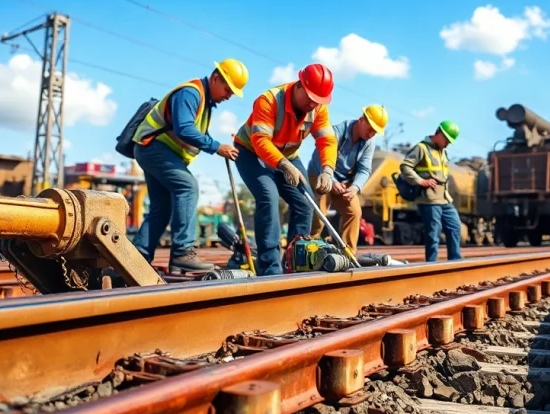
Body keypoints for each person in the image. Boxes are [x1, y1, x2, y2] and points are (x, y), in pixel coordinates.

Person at [130, 59, 249, 273]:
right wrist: (216, 147)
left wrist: (218, 146)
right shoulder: (191, 93)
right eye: (228, 89)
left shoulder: (204, 102)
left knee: (161, 208)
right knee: (187, 187)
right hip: (153, 148)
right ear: (215, 78)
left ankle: (137, 260)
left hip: (152, 150)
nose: (229, 96)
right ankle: (182, 253)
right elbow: (184, 129)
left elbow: (198, 132)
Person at [233, 63, 338, 275]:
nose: (312, 104)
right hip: (251, 152)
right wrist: (284, 165)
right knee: (268, 196)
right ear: (299, 85)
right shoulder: (269, 100)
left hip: (287, 155)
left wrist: (328, 170)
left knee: (305, 202)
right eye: (310, 97)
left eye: (318, 101)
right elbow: (261, 140)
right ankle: (270, 268)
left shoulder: (318, 109)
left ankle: (296, 263)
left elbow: (327, 141)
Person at [307, 105, 387, 254]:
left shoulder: (369, 143)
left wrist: (355, 187)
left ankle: (347, 253)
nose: (371, 134)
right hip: (320, 174)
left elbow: (364, 169)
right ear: (361, 120)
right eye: (370, 129)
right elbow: (319, 158)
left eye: (375, 132)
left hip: (344, 182)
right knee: (320, 209)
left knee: (354, 212)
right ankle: (309, 247)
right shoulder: (336, 132)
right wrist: (331, 181)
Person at [399, 120, 462, 262]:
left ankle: (455, 262)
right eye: (447, 140)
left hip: (445, 199)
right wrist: (420, 181)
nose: (448, 144)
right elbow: (405, 167)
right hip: (429, 200)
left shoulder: (443, 151)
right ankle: (432, 265)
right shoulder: (421, 148)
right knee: (433, 234)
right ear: (439, 134)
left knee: (455, 227)